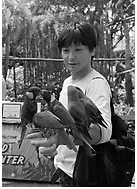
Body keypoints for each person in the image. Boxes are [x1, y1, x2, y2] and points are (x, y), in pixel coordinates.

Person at [27, 22, 112, 186]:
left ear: (93, 51)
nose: (71, 57)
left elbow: (103, 131)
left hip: (84, 173)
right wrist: (56, 146)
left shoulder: (95, 83)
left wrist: (62, 139)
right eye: (66, 50)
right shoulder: (68, 82)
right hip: (66, 170)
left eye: (78, 50)